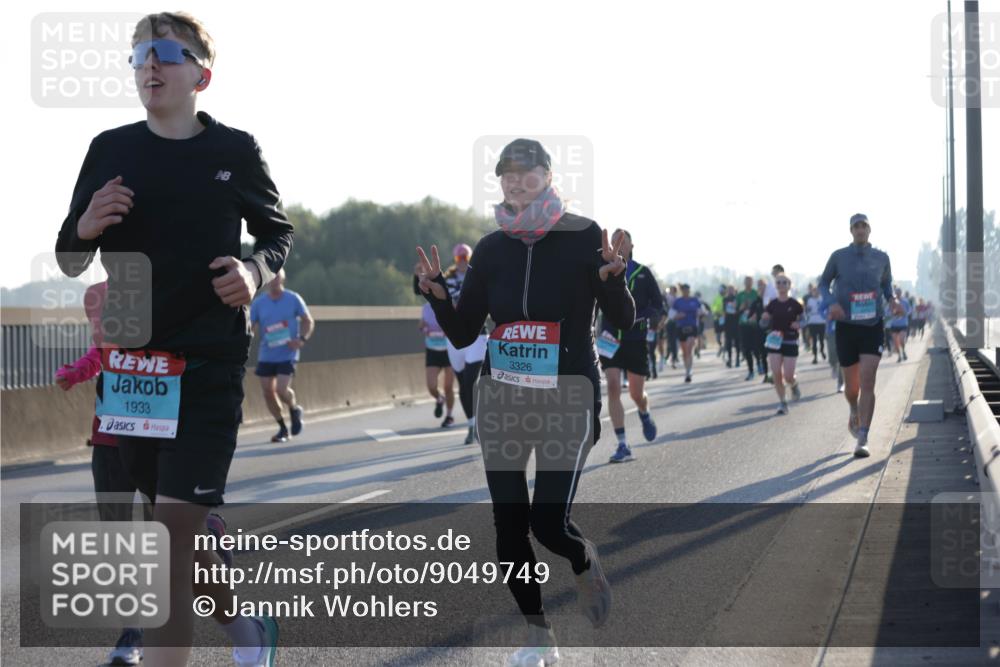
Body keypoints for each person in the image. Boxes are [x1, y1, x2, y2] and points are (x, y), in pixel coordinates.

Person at [55, 12, 291, 666]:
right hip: (130, 370)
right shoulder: (110, 148)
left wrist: (253, 268)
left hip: (208, 364)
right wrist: (85, 222)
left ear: (201, 75)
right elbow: (71, 257)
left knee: (170, 537)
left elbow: (278, 235)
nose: (149, 65)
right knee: (172, 536)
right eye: (139, 55)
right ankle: (249, 633)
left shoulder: (234, 151)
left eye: (165, 53)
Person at [416, 138, 634, 666]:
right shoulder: (492, 248)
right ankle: (538, 635)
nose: (515, 182)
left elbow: (622, 321)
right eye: (506, 175)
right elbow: (467, 330)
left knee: (547, 524)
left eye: (526, 172)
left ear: (548, 174)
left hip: (569, 396)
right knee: (510, 528)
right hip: (503, 400)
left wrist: (612, 281)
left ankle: (583, 560)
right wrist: (440, 297)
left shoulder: (584, 236)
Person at [819, 213, 902, 458]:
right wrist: (832, 302)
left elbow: (886, 285)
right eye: (856, 226)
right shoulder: (838, 257)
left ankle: (863, 436)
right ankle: (853, 409)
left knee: (868, 379)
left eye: (864, 225)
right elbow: (823, 283)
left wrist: (892, 299)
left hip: (872, 324)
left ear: (869, 229)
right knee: (852, 385)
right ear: (851, 230)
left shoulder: (881, 257)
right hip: (846, 325)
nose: (860, 229)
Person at [597, 229, 663, 463]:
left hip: (635, 339)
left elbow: (658, 306)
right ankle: (622, 444)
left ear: (631, 246)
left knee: (636, 393)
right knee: (613, 386)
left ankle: (644, 413)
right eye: (614, 241)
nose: (617, 244)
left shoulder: (643, 273)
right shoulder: (601, 269)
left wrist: (649, 317)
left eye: (622, 241)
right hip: (609, 338)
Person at [250, 268, 313, 443]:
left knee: (281, 389)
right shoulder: (259, 303)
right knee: (268, 393)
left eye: (278, 276)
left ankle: (294, 408)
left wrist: (301, 339)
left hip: (288, 352)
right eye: (272, 277)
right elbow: (251, 326)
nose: (275, 280)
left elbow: (308, 321)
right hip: (267, 353)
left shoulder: (293, 299)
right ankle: (283, 428)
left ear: (283, 279)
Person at [444, 242, 489, 444]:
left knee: (472, 380)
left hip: (478, 335)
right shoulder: (448, 279)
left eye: (465, 258)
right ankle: (471, 425)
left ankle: (480, 423)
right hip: (454, 337)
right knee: (462, 384)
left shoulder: (479, 275)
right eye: (458, 259)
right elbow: (428, 295)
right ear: (455, 260)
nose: (462, 262)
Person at [414, 264, 456, 425]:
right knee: (431, 386)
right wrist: (422, 326)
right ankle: (439, 399)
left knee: (448, 386)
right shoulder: (425, 308)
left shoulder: (448, 304)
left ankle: (450, 415)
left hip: (448, 349)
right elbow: (421, 325)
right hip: (432, 348)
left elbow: (455, 323)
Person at [761, 274, 804, 414]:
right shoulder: (772, 304)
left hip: (791, 340)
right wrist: (764, 319)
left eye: (784, 282)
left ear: (789, 285)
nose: (781, 284)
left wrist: (799, 324)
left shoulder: (795, 304)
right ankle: (782, 402)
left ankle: (794, 384)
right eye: (778, 282)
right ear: (775, 286)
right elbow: (762, 324)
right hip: (775, 341)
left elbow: (805, 320)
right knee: (776, 374)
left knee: (788, 376)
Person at [671, 284, 702, 382]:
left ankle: (689, 371)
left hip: (692, 326)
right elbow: (671, 315)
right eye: (684, 290)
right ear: (682, 291)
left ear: (689, 290)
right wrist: (678, 316)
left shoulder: (695, 300)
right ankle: (687, 370)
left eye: (687, 290)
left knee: (689, 347)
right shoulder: (677, 302)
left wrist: (700, 313)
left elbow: (703, 311)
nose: (686, 291)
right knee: (685, 352)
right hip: (681, 327)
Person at [803, 285, 827, 364]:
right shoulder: (810, 300)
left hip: (821, 321)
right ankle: (815, 356)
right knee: (814, 340)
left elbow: (826, 308)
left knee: (821, 340)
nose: (815, 292)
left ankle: (822, 351)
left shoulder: (822, 298)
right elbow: (807, 310)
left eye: (817, 291)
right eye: (814, 291)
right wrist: (807, 309)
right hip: (812, 322)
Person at [888, 287, 911, 362]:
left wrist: (904, 313)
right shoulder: (892, 302)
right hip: (894, 325)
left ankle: (903, 351)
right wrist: (892, 313)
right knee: (895, 342)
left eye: (899, 292)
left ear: (901, 293)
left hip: (903, 324)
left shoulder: (905, 301)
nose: (898, 294)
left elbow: (909, 310)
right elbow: (887, 311)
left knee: (901, 340)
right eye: (896, 292)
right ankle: (899, 356)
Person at [722, 284, 740, 368]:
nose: (730, 291)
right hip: (728, 323)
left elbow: (739, 310)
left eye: (731, 289)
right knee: (728, 342)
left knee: (737, 341)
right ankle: (729, 359)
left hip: (736, 322)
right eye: (729, 289)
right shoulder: (725, 299)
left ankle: (737, 359)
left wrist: (735, 310)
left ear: (734, 290)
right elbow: (724, 310)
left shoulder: (737, 298)